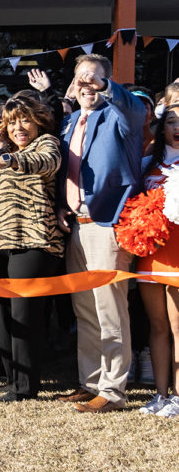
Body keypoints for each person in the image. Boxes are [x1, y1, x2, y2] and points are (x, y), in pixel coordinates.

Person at [55, 53, 146, 413]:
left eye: (95, 78)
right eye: (82, 78)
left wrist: (108, 88)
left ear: (106, 82)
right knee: (85, 309)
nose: (87, 84)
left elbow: (134, 109)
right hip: (75, 226)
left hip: (107, 226)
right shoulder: (71, 121)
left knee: (110, 310)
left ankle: (113, 390)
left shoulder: (122, 117)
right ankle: (90, 381)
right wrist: (63, 204)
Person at [0, 96, 63, 402]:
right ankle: (13, 379)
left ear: (38, 120)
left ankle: (25, 387)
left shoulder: (45, 145)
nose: (18, 127)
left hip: (35, 242)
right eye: (12, 122)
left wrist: (4, 160)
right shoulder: (12, 151)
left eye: (24, 120)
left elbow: (46, 164)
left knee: (24, 314)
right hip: (2, 244)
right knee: (2, 314)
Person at [134, 104, 179, 417]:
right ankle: (161, 395)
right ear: (162, 128)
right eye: (173, 122)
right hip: (150, 255)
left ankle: (178, 396)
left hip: (178, 256)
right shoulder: (148, 163)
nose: (178, 127)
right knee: (158, 325)